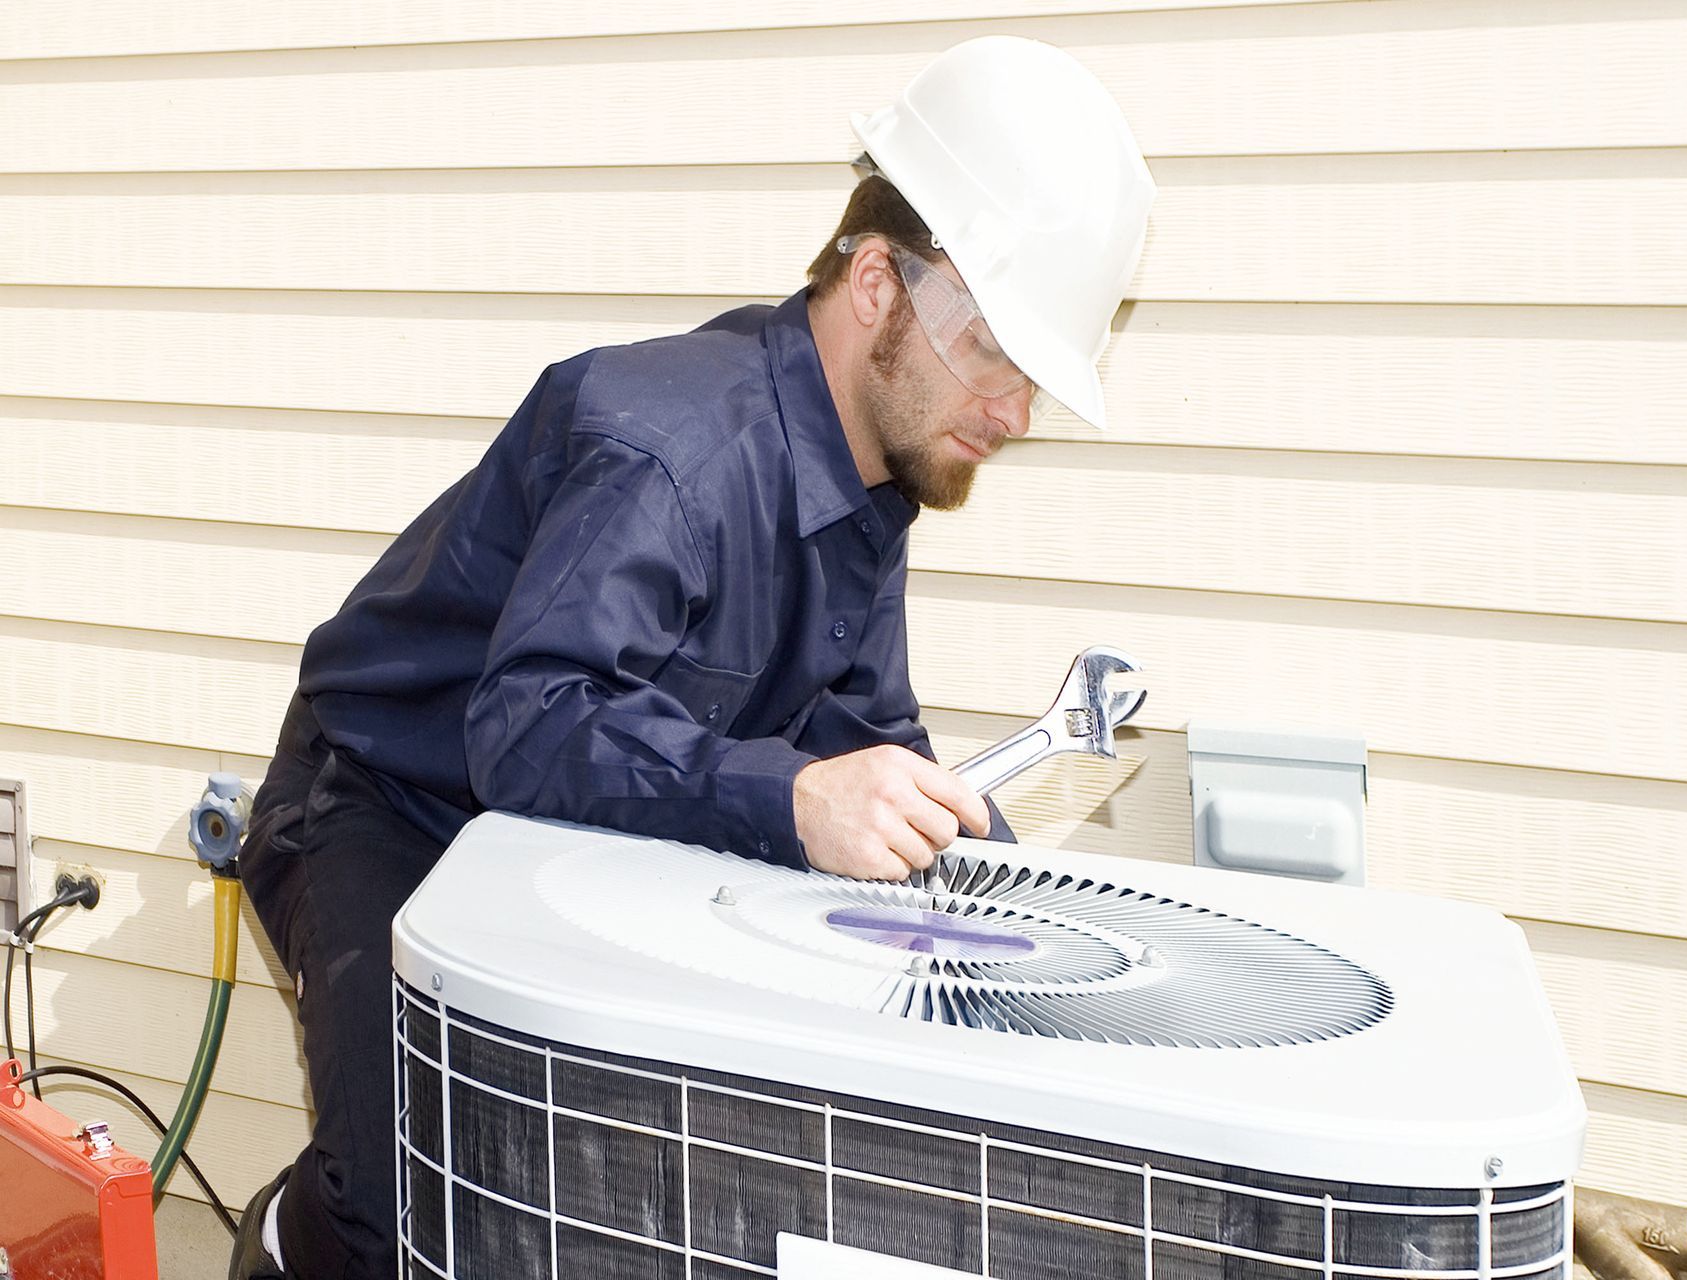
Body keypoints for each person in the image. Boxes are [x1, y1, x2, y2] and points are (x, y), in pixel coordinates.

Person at [226, 34, 1153, 1280]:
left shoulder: (872, 488)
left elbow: (858, 732)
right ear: (880, 283)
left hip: (557, 833)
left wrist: (943, 852)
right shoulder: (672, 454)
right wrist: (794, 797)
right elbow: (529, 721)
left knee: (623, 1169)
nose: (1016, 412)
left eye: (1036, 376)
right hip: (382, 804)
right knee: (412, 1192)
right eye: (997, 353)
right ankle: (287, 1238)